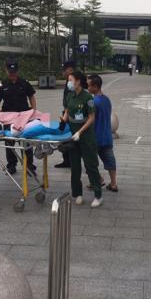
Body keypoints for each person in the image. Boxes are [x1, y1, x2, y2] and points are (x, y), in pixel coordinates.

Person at [61, 70, 103, 208]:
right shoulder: (70, 95)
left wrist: (80, 132)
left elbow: (91, 118)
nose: (68, 83)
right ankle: (77, 194)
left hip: (86, 137)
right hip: (73, 136)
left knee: (91, 166)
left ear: (78, 81)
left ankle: (98, 195)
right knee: (75, 167)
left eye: (70, 80)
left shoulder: (87, 98)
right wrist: (63, 120)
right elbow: (67, 110)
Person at [0, 58, 36, 175]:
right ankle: (11, 165)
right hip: (8, 117)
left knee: (26, 141)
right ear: (6, 70)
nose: (12, 74)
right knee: (9, 142)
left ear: (17, 70)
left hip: (23, 117)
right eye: (10, 72)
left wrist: (34, 111)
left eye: (14, 72)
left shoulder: (24, 83)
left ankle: (29, 165)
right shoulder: (2, 85)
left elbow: (31, 97)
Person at [87, 74, 118, 192]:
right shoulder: (107, 100)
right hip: (107, 137)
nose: (88, 88)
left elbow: (91, 119)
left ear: (95, 87)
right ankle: (113, 183)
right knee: (110, 160)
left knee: (90, 161)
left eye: (89, 86)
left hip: (95, 137)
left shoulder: (92, 101)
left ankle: (97, 180)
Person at [55, 60, 75, 169]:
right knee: (65, 135)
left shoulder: (73, 83)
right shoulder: (68, 82)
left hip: (72, 114)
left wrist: (66, 116)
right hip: (66, 112)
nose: (62, 72)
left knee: (69, 136)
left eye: (64, 70)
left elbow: (72, 101)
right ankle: (67, 160)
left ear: (70, 70)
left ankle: (72, 160)